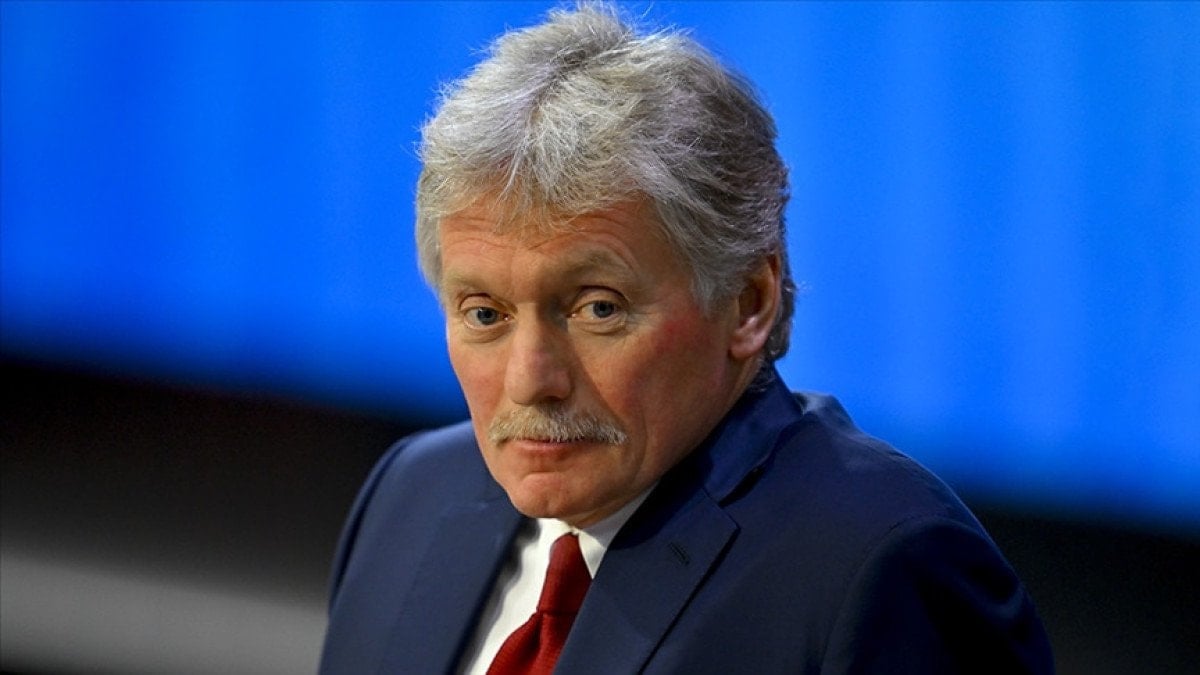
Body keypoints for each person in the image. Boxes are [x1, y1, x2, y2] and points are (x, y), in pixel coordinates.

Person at [319, 4, 1054, 673]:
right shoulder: (412, 493)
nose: (530, 380)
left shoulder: (883, 565)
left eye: (597, 308)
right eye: (486, 314)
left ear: (748, 303)